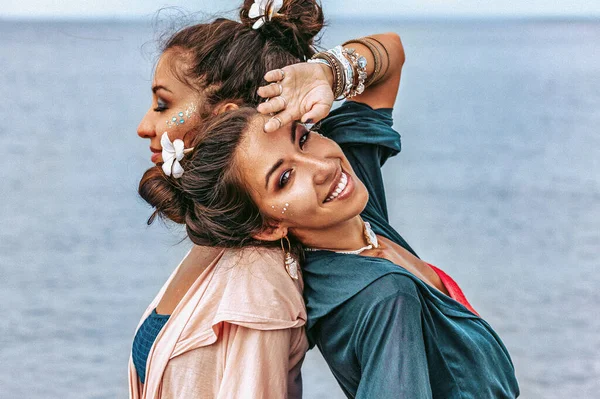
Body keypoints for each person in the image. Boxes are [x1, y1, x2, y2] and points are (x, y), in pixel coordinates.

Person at [139, 23, 521, 399]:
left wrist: (325, 72)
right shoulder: (383, 296)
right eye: (284, 178)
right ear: (269, 224)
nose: (322, 168)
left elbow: (391, 56)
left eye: (303, 137)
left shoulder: (350, 203)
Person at [129, 1, 326, 397]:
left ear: (223, 115)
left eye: (163, 104)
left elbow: (389, 58)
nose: (144, 126)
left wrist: (327, 73)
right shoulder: (222, 238)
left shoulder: (257, 282)